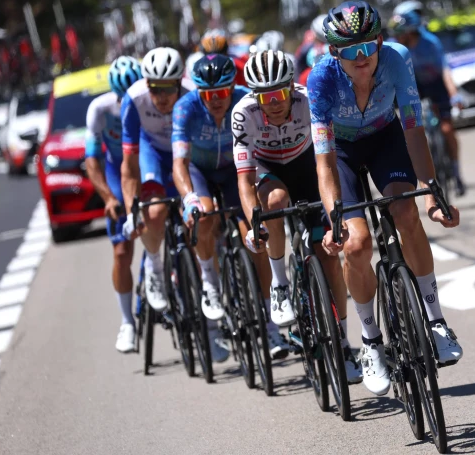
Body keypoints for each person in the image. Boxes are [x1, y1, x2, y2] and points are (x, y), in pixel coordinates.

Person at [308, 1, 463, 396]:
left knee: (406, 212)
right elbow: (324, 163)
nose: (361, 59)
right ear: (333, 53)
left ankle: (435, 320)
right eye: (349, 51)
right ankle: (372, 342)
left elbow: (413, 130)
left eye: (367, 47)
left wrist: (431, 189)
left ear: (380, 40)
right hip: (340, 153)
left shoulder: (397, 59)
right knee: (357, 244)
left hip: (385, 139)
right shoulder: (321, 80)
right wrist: (334, 220)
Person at [232, 50, 362, 381]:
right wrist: (254, 225)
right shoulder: (243, 114)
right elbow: (245, 182)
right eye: (265, 96)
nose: (274, 102)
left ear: (292, 88)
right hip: (268, 169)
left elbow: (326, 163)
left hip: (307, 164)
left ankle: (344, 343)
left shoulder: (309, 102)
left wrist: (332, 213)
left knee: (329, 257)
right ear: (254, 96)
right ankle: (278, 282)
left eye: (280, 93)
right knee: (274, 201)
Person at [171, 54, 287, 360]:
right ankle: (209, 279)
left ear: (231, 88)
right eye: (208, 95)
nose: (216, 100)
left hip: (237, 172)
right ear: (198, 93)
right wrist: (189, 199)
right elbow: (179, 163)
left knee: (255, 238)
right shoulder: (185, 108)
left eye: (222, 92)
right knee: (204, 216)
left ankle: (270, 322)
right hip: (201, 172)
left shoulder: (244, 101)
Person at [120, 47, 195, 313]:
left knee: (200, 219)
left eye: (168, 89)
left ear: (179, 83)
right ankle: (153, 265)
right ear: (146, 84)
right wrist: (132, 211)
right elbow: (128, 166)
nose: (161, 98)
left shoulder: (192, 93)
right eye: (155, 88)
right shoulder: (134, 99)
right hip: (151, 153)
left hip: (184, 151)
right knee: (154, 212)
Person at [84, 56, 143, 353]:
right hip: (117, 171)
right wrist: (108, 197)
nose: (128, 103)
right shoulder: (100, 109)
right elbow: (91, 160)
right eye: (123, 98)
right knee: (122, 251)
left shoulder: (151, 98)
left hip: (148, 165)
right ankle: (126, 322)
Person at [388, 0, 466, 196]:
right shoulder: (396, 48)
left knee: (447, 128)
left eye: (400, 33)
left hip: (435, 85)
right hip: (413, 88)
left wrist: (454, 94)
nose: (397, 37)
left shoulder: (431, 43)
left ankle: (456, 172)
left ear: (410, 31)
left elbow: (445, 70)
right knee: (412, 132)